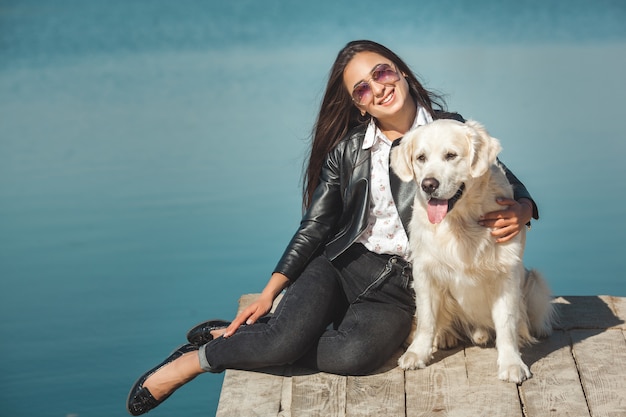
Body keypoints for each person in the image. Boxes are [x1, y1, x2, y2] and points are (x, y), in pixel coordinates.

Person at [126, 40, 538, 415]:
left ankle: (250, 340)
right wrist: (269, 292)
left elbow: (508, 182)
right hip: (342, 263)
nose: (377, 88)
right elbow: (315, 226)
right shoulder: (348, 152)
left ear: (403, 74)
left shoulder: (453, 129)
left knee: (354, 358)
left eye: (382, 73)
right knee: (282, 340)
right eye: (362, 88)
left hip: (402, 287)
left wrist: (522, 208)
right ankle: (194, 362)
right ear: (360, 105)